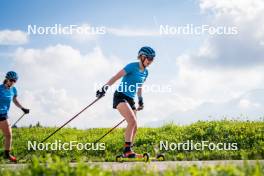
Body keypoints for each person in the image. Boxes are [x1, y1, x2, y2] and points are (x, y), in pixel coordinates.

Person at [96, 46, 155, 158]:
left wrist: (140, 100)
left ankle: (129, 151)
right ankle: (127, 150)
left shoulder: (146, 72)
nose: (151, 61)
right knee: (132, 121)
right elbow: (116, 77)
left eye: (153, 59)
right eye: (149, 58)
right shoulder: (132, 66)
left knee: (135, 126)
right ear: (142, 57)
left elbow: (139, 86)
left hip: (131, 99)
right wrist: (104, 88)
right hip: (120, 96)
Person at [0, 71, 30, 162]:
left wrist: (23, 108)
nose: (12, 82)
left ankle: (7, 154)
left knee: (8, 135)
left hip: (4, 115)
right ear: (7, 79)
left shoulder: (14, 90)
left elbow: (15, 101)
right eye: (11, 80)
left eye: (15, 81)